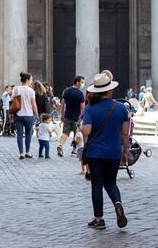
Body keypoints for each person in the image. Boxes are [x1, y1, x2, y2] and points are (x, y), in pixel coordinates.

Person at [82, 72, 130, 230]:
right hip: (114, 152)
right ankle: (118, 203)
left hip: (95, 153)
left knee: (97, 185)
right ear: (109, 90)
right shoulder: (121, 108)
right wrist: (125, 152)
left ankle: (98, 219)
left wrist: (81, 126)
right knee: (111, 183)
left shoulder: (91, 108)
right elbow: (125, 134)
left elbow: (87, 131)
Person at [57, 76, 85, 158]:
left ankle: (60, 145)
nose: (83, 84)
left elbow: (62, 104)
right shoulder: (80, 94)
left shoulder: (67, 91)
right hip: (77, 117)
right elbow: (83, 107)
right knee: (78, 134)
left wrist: (62, 115)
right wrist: (82, 117)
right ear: (77, 82)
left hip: (67, 116)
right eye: (82, 82)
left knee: (65, 133)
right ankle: (74, 150)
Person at [12, 72, 39, 159]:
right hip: (28, 115)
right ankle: (27, 152)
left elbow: (12, 101)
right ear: (27, 80)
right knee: (28, 134)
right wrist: (37, 115)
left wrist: (10, 114)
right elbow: (34, 104)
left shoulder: (16, 89)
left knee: (19, 134)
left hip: (18, 114)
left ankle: (21, 153)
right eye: (31, 79)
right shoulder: (31, 90)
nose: (32, 81)